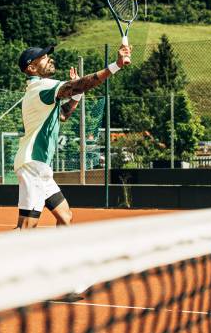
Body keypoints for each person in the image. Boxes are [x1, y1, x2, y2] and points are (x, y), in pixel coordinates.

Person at [14, 43, 131, 229]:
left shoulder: (40, 91)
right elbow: (80, 84)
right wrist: (116, 65)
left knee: (65, 218)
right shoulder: (41, 87)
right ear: (31, 68)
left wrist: (76, 95)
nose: (49, 58)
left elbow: (62, 115)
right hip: (33, 165)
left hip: (40, 167)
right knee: (26, 227)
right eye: (43, 57)